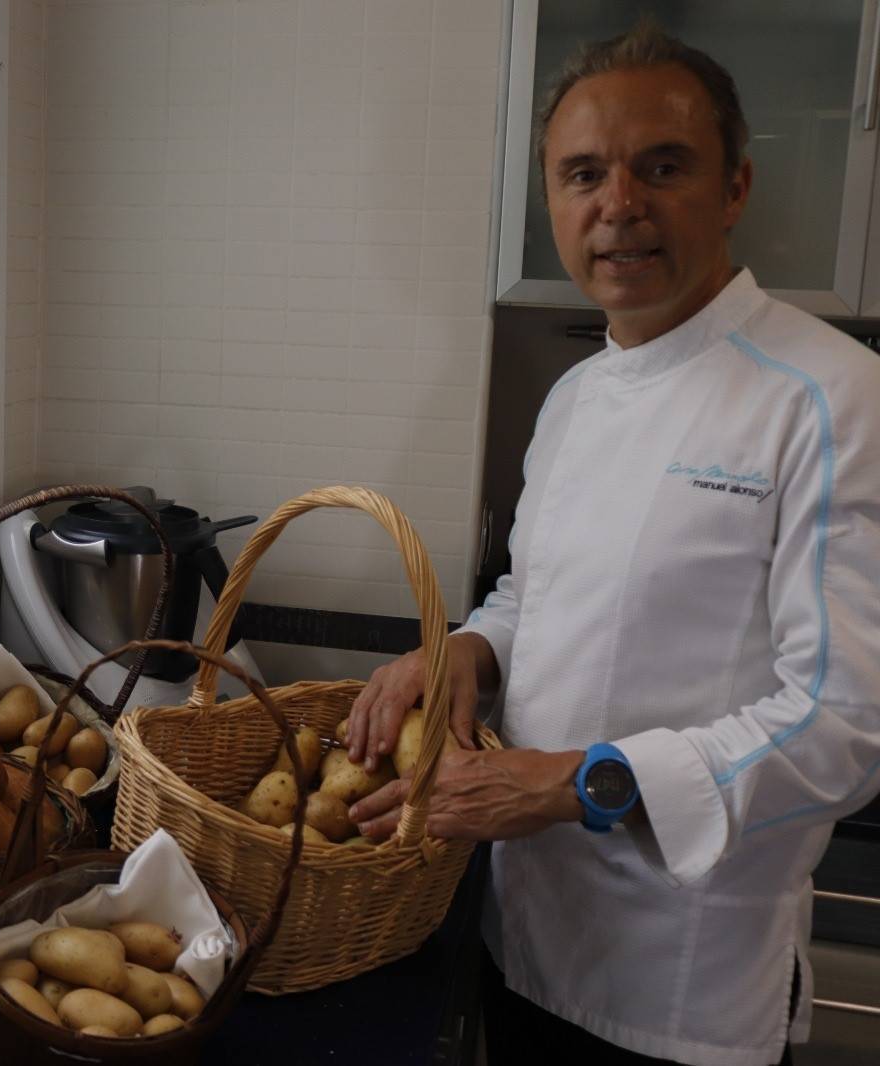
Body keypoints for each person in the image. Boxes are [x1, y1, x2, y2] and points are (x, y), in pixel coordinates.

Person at [342, 21, 880, 1066]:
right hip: (523, 932)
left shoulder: (830, 398)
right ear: (552, 203)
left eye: (661, 166)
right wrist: (471, 648)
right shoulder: (573, 395)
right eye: (582, 173)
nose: (618, 203)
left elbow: (843, 721)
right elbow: (533, 596)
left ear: (734, 188)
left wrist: (569, 784)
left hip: (684, 980)